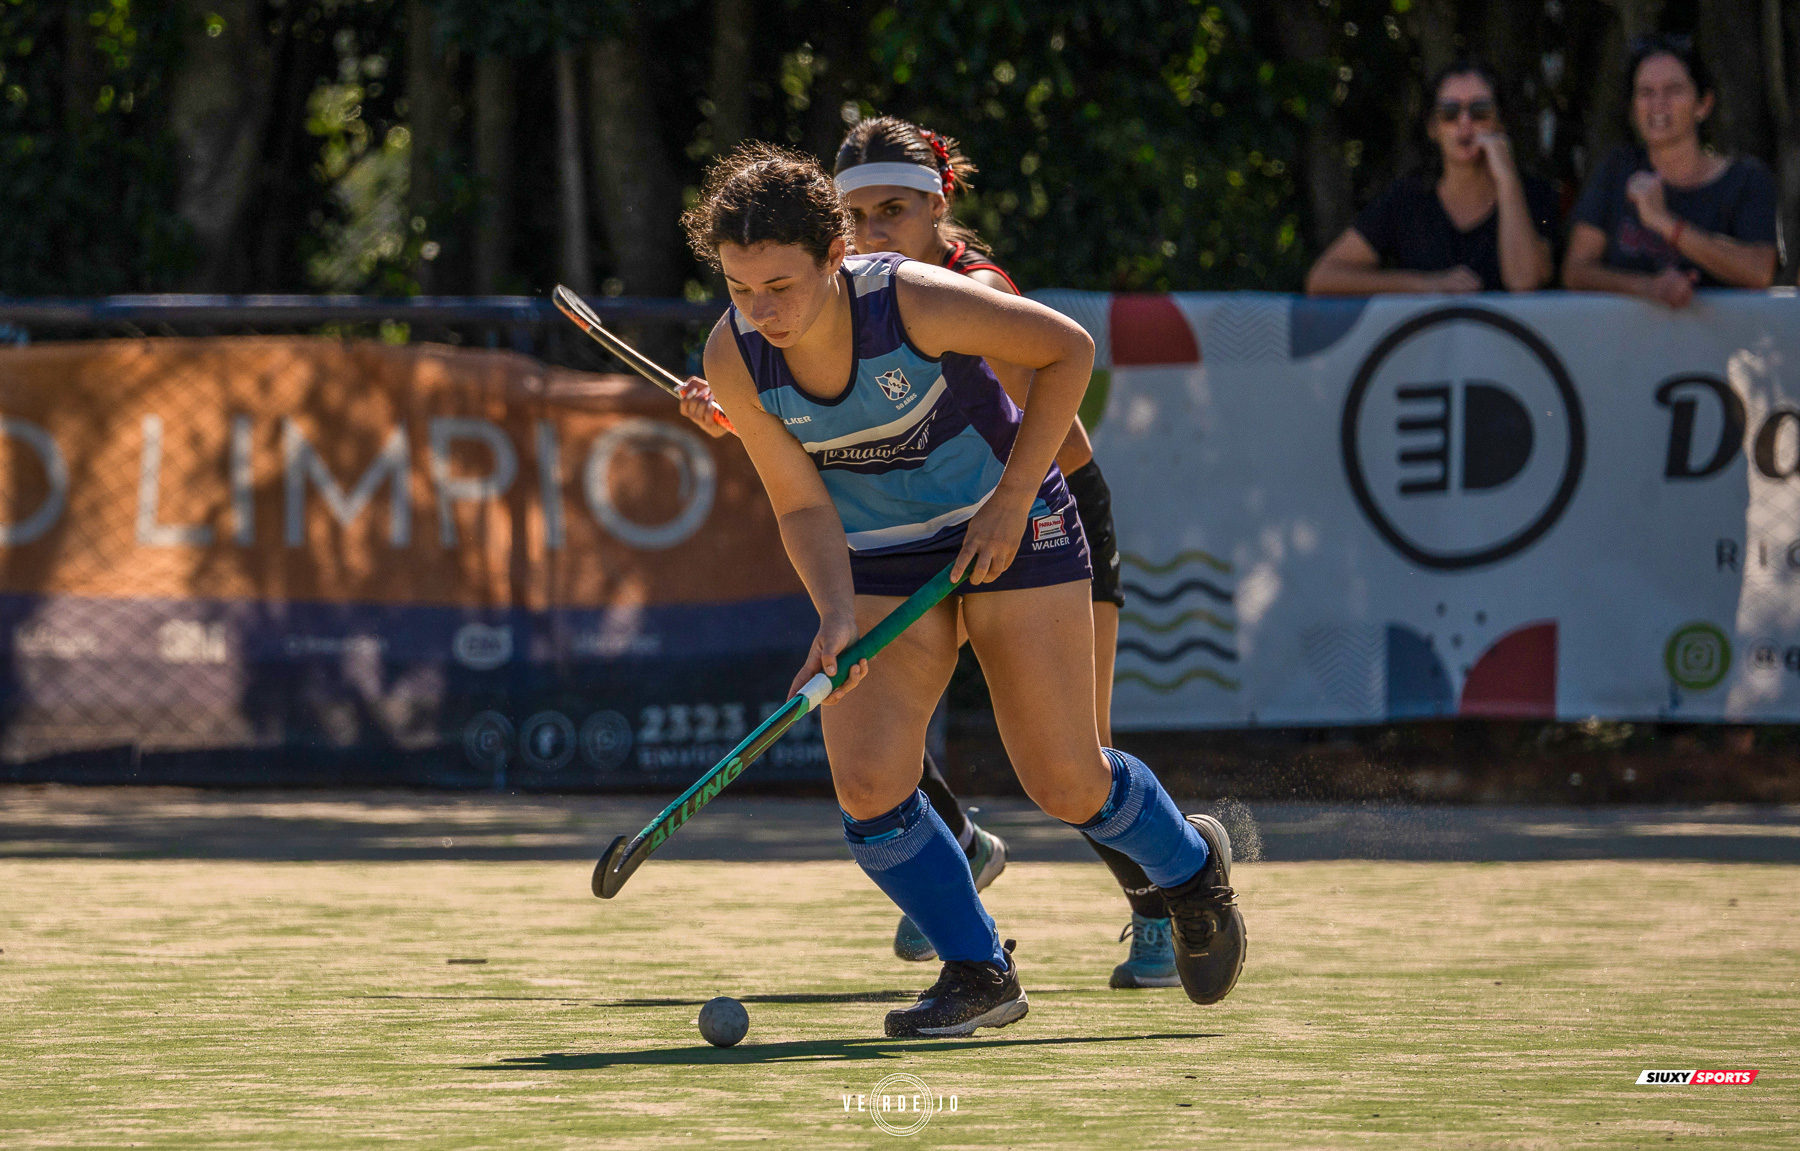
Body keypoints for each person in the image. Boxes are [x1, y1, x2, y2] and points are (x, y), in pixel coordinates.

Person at [681, 142, 1244, 1037]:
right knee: (868, 779)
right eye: (742, 289)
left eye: (781, 286)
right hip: (878, 558)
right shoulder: (737, 355)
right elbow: (799, 504)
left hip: (1009, 523)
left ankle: (1189, 868)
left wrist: (1013, 502)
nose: (762, 312)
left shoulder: (910, 297)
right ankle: (979, 968)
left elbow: (1069, 351)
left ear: (834, 256)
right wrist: (832, 613)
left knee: (1064, 777)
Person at [1306, 60, 1557, 295]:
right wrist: (1423, 284)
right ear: (1432, 127)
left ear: (1501, 123)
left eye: (1480, 111)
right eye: (1449, 112)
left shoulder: (1534, 193)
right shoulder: (1407, 199)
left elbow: (1525, 281)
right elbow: (1321, 279)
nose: (1465, 122)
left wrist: (1507, 179)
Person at [1563, 34, 1778, 307]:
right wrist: (1647, 287)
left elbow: (1759, 272)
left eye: (1673, 90)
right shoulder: (1618, 168)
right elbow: (1576, 272)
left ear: (1703, 104)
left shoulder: (1747, 179)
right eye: (1646, 92)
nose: (1658, 104)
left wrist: (1665, 223)